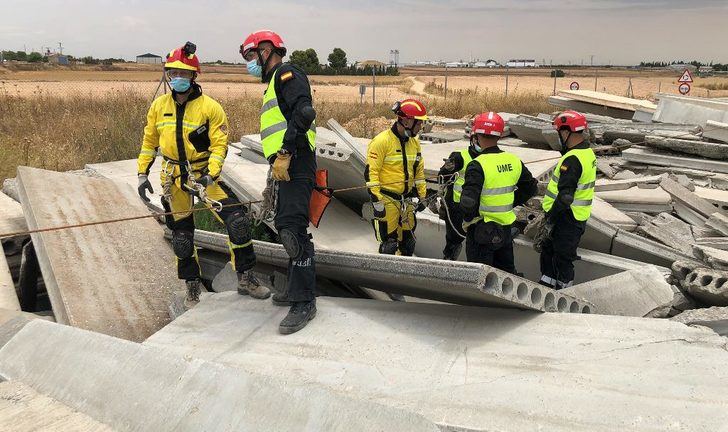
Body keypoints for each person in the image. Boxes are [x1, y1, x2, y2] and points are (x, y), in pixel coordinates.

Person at [137, 42, 267, 308]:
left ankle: (245, 276)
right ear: (168, 74)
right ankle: (192, 287)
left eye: (184, 74)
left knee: (238, 221)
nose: (178, 79)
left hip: (202, 176)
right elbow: (149, 141)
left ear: (194, 76)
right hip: (173, 179)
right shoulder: (158, 107)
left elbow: (220, 145)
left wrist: (211, 174)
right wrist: (142, 174)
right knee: (182, 237)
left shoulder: (211, 107)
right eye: (174, 73)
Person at [240, 30, 318, 334]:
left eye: (250, 57)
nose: (250, 64)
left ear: (266, 50)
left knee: (293, 231)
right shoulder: (274, 82)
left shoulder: (287, 73)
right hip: (286, 165)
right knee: (287, 227)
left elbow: (304, 112)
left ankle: (305, 301)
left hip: (296, 160)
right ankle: (296, 290)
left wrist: (285, 150)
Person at [459, 112, 537, 272]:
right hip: (506, 231)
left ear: (477, 134)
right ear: (499, 135)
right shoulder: (513, 161)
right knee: (505, 278)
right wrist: (510, 202)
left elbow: (468, 203)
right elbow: (531, 187)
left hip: (481, 231)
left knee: (479, 278)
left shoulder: (477, 164)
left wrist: (468, 220)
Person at [536, 110, 596, 289]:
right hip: (574, 217)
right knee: (551, 254)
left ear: (566, 132)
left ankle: (564, 294)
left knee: (562, 258)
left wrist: (550, 220)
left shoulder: (572, 160)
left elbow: (565, 196)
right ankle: (547, 286)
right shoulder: (587, 153)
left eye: (559, 132)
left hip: (565, 218)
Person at [365, 99, 428, 258]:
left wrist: (422, 196)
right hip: (387, 199)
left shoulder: (414, 143)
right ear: (407, 121)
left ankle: (403, 276)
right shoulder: (381, 141)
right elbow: (371, 172)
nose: (421, 127)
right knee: (389, 244)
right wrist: (377, 200)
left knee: (408, 243)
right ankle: (383, 278)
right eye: (419, 123)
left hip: (407, 201)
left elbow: (419, 172)